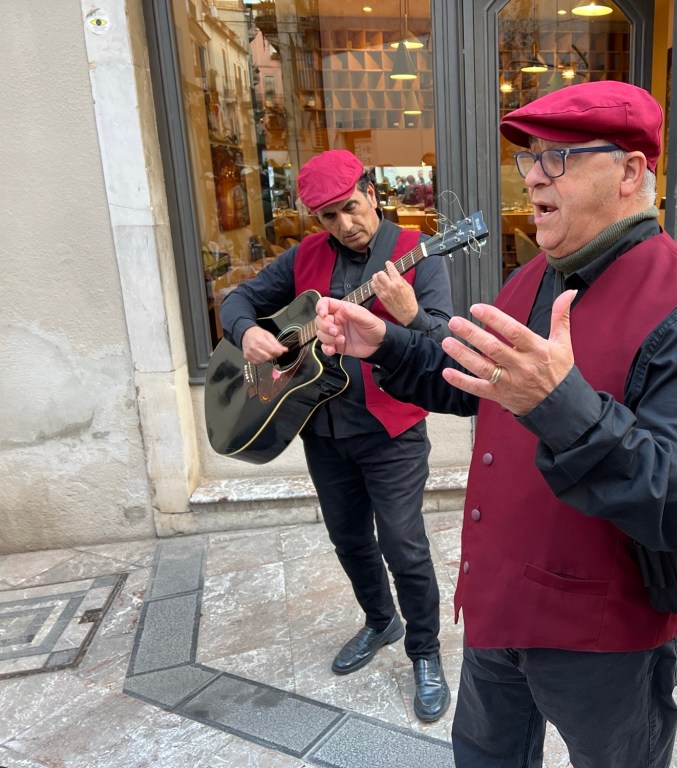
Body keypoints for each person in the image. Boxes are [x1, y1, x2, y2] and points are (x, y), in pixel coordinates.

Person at [313, 81, 677, 766]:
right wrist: (386, 344)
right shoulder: (536, 277)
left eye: (559, 158)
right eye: (530, 159)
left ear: (630, 172)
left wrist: (561, 403)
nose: (534, 177)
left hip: (604, 638)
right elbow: (476, 381)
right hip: (498, 608)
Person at [218, 149, 453, 723]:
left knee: (403, 545)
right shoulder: (304, 257)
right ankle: (381, 620)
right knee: (348, 539)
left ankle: (425, 652)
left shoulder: (416, 253)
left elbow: (443, 344)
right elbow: (238, 298)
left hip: (391, 430)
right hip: (322, 430)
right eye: (329, 216)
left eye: (351, 207)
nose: (345, 224)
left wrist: (410, 315)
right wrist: (246, 332)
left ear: (371, 193)